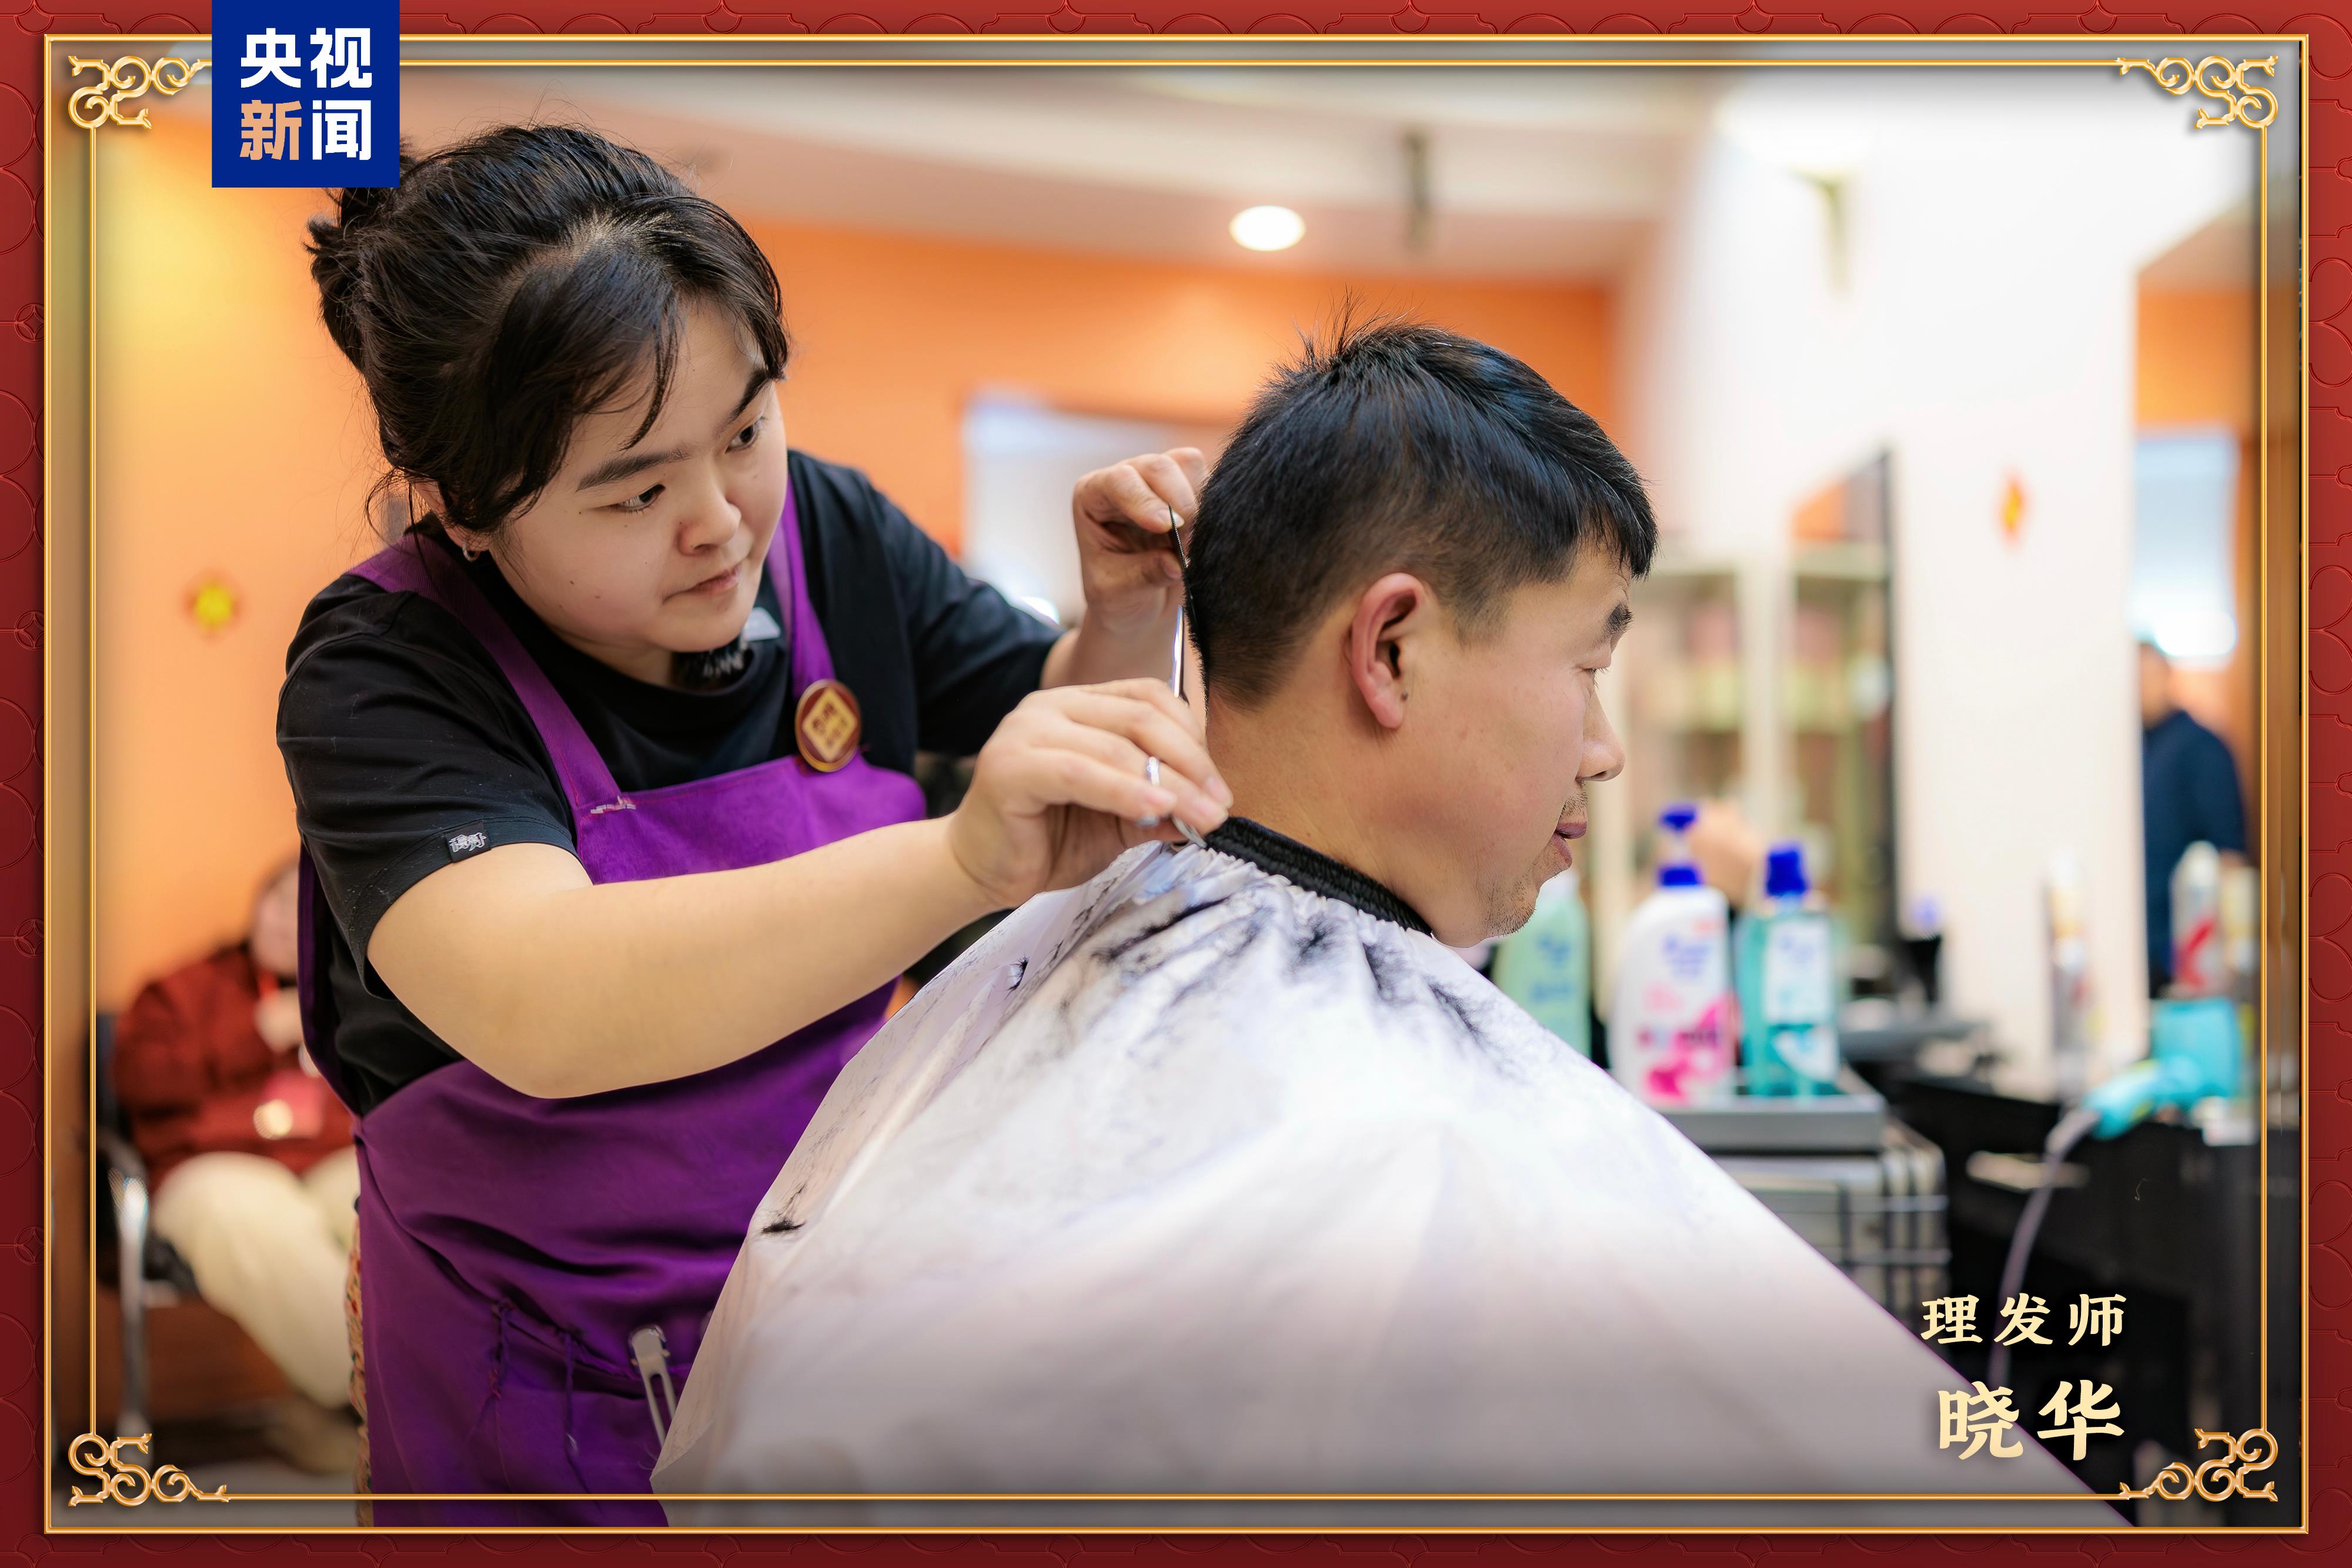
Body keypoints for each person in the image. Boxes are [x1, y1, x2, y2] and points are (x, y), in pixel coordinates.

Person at [653, 320, 2113, 1527]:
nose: (1602, 749)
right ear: (1393, 649)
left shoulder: (1078, 971)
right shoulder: (1387, 1143)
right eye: (1586, 665)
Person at [278, 125, 1229, 1526]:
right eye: (636, 489)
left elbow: (1064, 741)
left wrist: (1126, 618)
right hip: (535, 1389)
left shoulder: (830, 533)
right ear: (462, 511)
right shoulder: (388, 665)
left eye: (746, 428)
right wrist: (957, 859)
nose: (719, 521)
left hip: (827, 1323)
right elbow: (539, 993)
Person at [112, 859, 359, 1465]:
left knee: (382, 1199)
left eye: (304, 909)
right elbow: (139, 1080)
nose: (283, 922)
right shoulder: (182, 989)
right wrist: (255, 1033)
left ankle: (352, 1401)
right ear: (255, 905)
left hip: (322, 1159)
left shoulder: (345, 994)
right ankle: (381, 1394)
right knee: (247, 1215)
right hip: (211, 1164)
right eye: (276, 902)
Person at [2139, 640, 2248, 991]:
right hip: (2137, 939)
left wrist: (2231, 947)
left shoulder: (2201, 747)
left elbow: (2230, 853)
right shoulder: (2131, 749)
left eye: (2146, 674)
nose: (2138, 686)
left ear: (2167, 675)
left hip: (2188, 940)